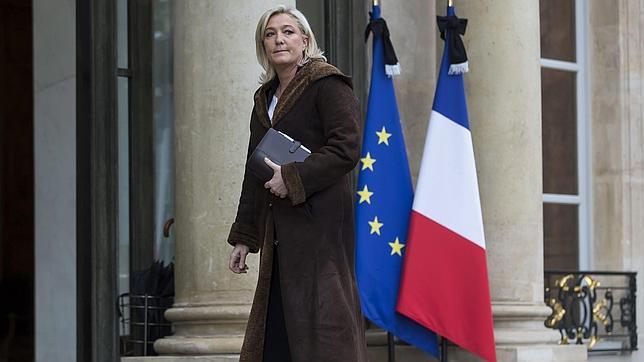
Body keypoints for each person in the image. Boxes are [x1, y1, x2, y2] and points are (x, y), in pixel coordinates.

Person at [226, 5, 368, 362]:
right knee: (277, 332)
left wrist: (292, 178)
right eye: (271, 34)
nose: (279, 40)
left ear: (305, 41)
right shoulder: (264, 99)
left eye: (288, 32)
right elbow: (253, 169)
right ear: (264, 46)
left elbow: (346, 147)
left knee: (324, 329)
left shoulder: (326, 84)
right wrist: (245, 237)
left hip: (319, 224)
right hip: (279, 232)